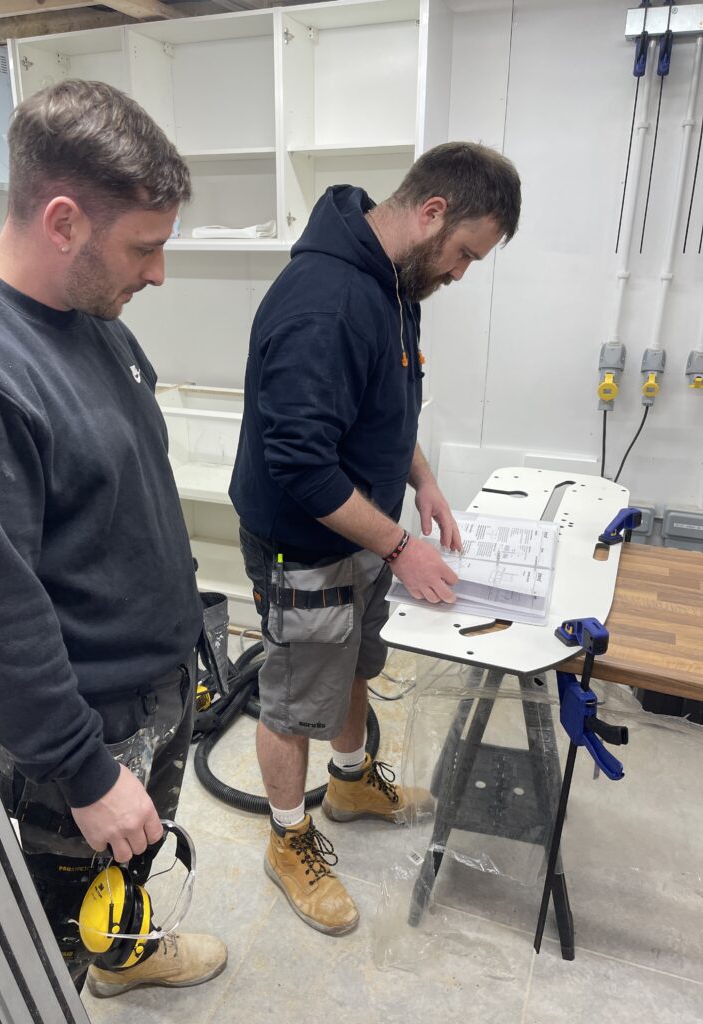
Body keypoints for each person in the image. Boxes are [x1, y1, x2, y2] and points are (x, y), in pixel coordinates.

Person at [0, 80, 227, 997]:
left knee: (126, 870)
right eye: (144, 247)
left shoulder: (88, 317)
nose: (158, 273)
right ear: (62, 221)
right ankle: (72, 982)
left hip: (153, 687)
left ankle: (125, 957)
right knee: (51, 933)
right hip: (85, 723)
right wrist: (85, 772)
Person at [230, 142, 521, 935]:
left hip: (362, 529)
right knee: (293, 698)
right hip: (304, 536)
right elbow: (301, 465)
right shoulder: (324, 301)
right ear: (432, 214)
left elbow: (386, 404)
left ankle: (352, 782)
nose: (461, 273)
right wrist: (400, 546)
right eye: (464, 253)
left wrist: (420, 479)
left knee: (356, 657)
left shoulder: (397, 281)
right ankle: (289, 840)